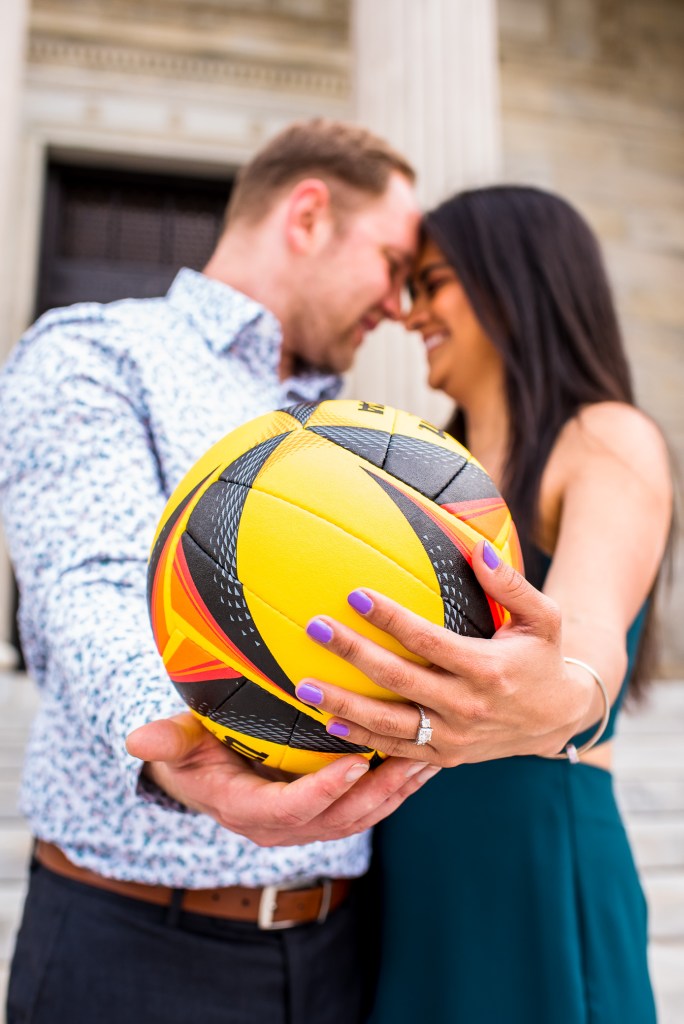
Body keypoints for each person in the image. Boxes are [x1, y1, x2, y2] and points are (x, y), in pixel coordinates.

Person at [0, 118, 440, 1024]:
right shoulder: (96, 350)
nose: (400, 305)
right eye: (395, 264)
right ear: (309, 214)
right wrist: (181, 749)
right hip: (136, 946)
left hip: (341, 948)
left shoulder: (359, 424)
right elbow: (90, 581)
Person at [296, 186, 672, 1023]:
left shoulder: (605, 437)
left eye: (432, 282)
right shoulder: (425, 463)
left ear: (512, 280)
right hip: (406, 858)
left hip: (532, 855)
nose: (408, 310)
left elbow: (590, 637)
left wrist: (571, 692)